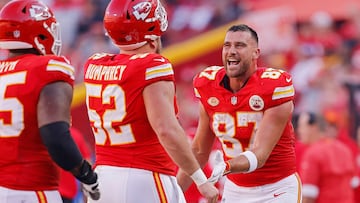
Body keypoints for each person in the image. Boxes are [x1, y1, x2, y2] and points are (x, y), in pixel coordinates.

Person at [82, 0, 219, 202]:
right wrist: (201, 180)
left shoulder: (93, 64)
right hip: (145, 176)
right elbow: (166, 129)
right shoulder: (151, 65)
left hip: (103, 177)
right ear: (152, 34)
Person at [176, 24, 302, 202]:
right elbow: (199, 150)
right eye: (227, 45)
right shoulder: (208, 85)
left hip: (277, 188)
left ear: (255, 53)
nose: (231, 51)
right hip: (235, 188)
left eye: (240, 45)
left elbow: (260, 154)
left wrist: (226, 166)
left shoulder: (273, 86)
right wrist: (172, 194)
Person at [0, 0, 99, 202]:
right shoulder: (48, 68)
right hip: (31, 189)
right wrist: (87, 175)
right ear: (41, 33)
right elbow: (55, 136)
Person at [297, 112, 356, 203]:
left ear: (313, 127)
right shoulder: (345, 150)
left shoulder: (313, 153)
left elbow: (308, 195)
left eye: (301, 126)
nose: (299, 130)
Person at [59, 127, 93, 203]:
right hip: (67, 191)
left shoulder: (43, 132)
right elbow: (87, 163)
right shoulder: (74, 134)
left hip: (45, 190)